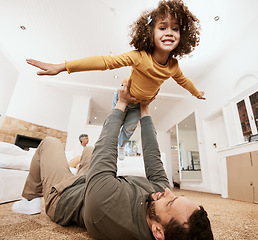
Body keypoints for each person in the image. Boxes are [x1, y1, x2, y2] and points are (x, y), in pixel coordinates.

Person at [12, 79, 213, 240]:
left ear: (158, 232)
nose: (167, 192)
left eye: (170, 202)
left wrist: (122, 103)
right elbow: (152, 156)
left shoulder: (107, 207)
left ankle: (30, 199)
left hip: (66, 195)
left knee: (50, 142)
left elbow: (105, 149)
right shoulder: (160, 202)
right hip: (88, 185)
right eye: (176, 196)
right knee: (88, 149)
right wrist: (145, 107)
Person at [26, 0, 205, 160]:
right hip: (123, 96)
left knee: (129, 129)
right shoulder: (140, 56)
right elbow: (105, 62)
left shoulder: (173, 66)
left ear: (182, 36)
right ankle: (106, 149)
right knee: (114, 124)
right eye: (163, 27)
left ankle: (119, 146)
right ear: (150, 32)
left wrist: (196, 93)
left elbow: (184, 81)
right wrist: (62, 66)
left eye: (175, 28)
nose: (169, 33)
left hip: (139, 103)